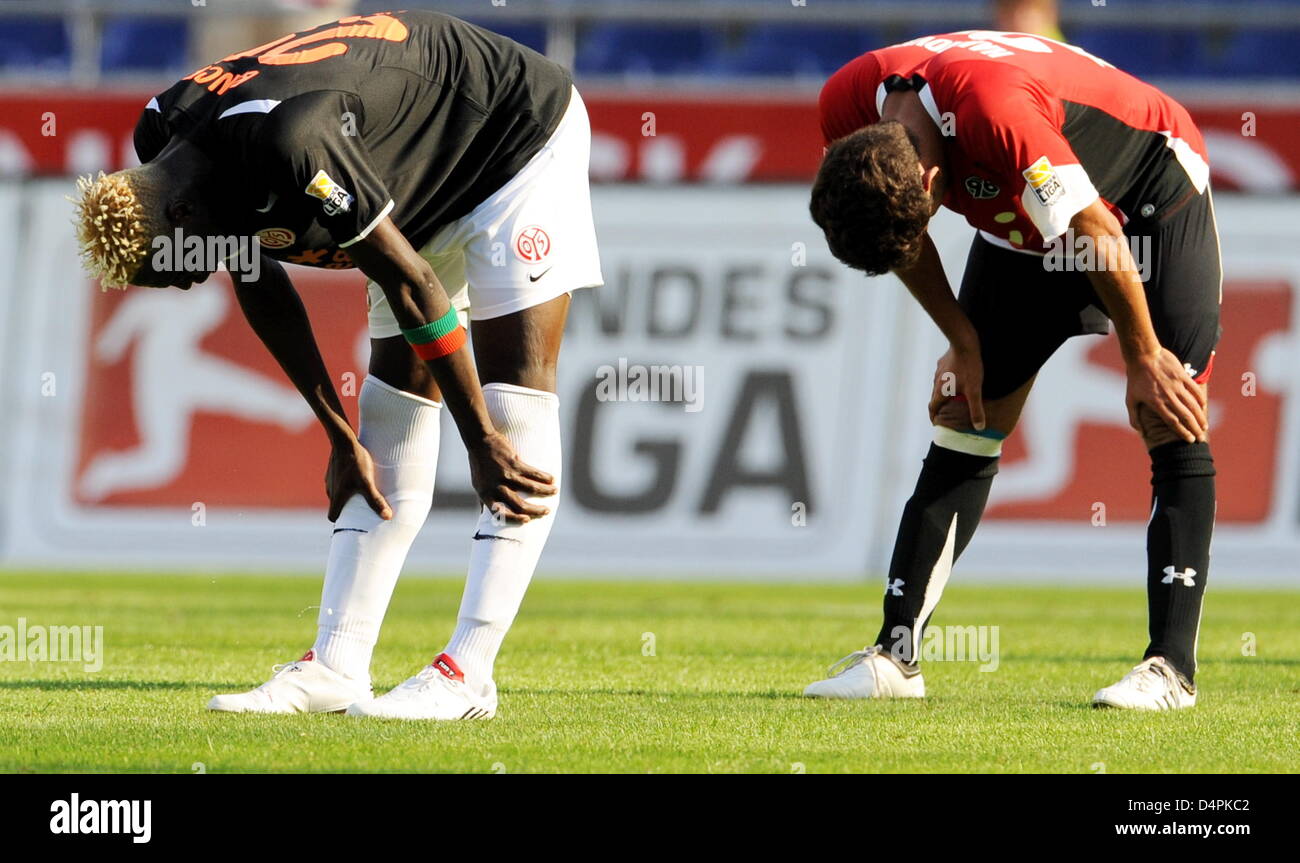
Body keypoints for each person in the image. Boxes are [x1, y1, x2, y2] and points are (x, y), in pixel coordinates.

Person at [72, 10, 603, 720]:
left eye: (175, 267)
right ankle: (338, 664)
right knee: (385, 415)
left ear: (183, 207)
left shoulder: (291, 141)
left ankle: (468, 673)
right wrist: (335, 434)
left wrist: (478, 441)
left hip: (509, 131)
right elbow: (260, 281)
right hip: (415, 165)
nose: (190, 281)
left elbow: (415, 284)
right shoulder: (164, 140)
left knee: (511, 406)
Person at [806, 30, 1219, 710]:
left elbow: (1092, 228)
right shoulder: (849, 106)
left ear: (931, 182)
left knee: (1167, 409)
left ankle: (1170, 669)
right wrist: (961, 338)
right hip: (1024, 217)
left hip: (1144, 200)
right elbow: (901, 233)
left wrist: (1142, 355)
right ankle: (895, 658)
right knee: (968, 416)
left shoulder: (995, 111)